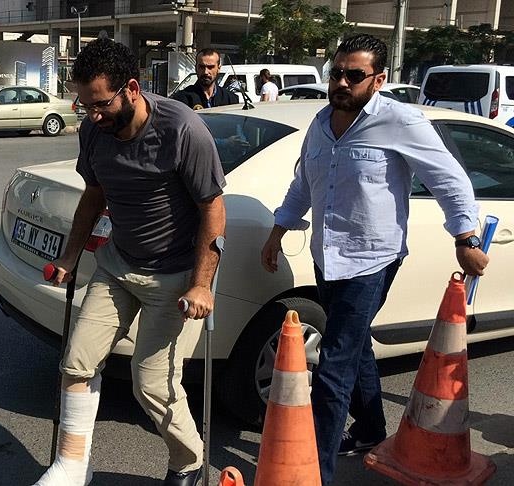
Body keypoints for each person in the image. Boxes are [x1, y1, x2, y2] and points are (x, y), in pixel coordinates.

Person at [259, 34, 488, 486]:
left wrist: (465, 237)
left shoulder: (401, 121)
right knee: (354, 342)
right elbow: (303, 183)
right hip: (327, 257)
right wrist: (277, 231)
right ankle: (369, 430)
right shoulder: (320, 123)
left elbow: (449, 179)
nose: (341, 82)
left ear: (379, 79)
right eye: (336, 73)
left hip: (371, 260)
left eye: (354, 75)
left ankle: (313, 473)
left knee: (334, 365)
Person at [34, 37, 226, 486]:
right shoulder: (93, 131)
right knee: (76, 363)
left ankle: (188, 461)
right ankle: (72, 465)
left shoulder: (182, 129)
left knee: (151, 383)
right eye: (84, 106)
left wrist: (201, 283)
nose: (92, 116)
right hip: (118, 267)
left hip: (174, 277)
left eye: (100, 104)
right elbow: (94, 196)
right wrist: (69, 256)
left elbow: (213, 209)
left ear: (132, 89)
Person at [171, 48, 238, 110]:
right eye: (201, 67)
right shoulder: (182, 99)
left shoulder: (230, 99)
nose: (205, 72)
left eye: (210, 67)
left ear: (218, 68)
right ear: (196, 68)